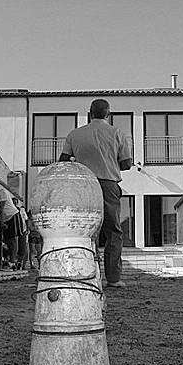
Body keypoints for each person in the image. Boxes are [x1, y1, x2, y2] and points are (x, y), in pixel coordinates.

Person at [59, 99, 132, 288]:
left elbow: (63, 161)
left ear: (89, 113)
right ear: (108, 114)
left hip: (83, 185)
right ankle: (113, 279)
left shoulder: (74, 134)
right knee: (113, 232)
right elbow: (127, 164)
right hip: (108, 184)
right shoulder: (117, 133)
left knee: (83, 231)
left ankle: (84, 274)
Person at [0, 179, 24, 270]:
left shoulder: (2, 192)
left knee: (13, 239)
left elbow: (1, 209)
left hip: (12, 216)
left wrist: (1, 223)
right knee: (7, 240)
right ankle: (8, 260)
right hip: (5, 218)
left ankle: (12, 262)